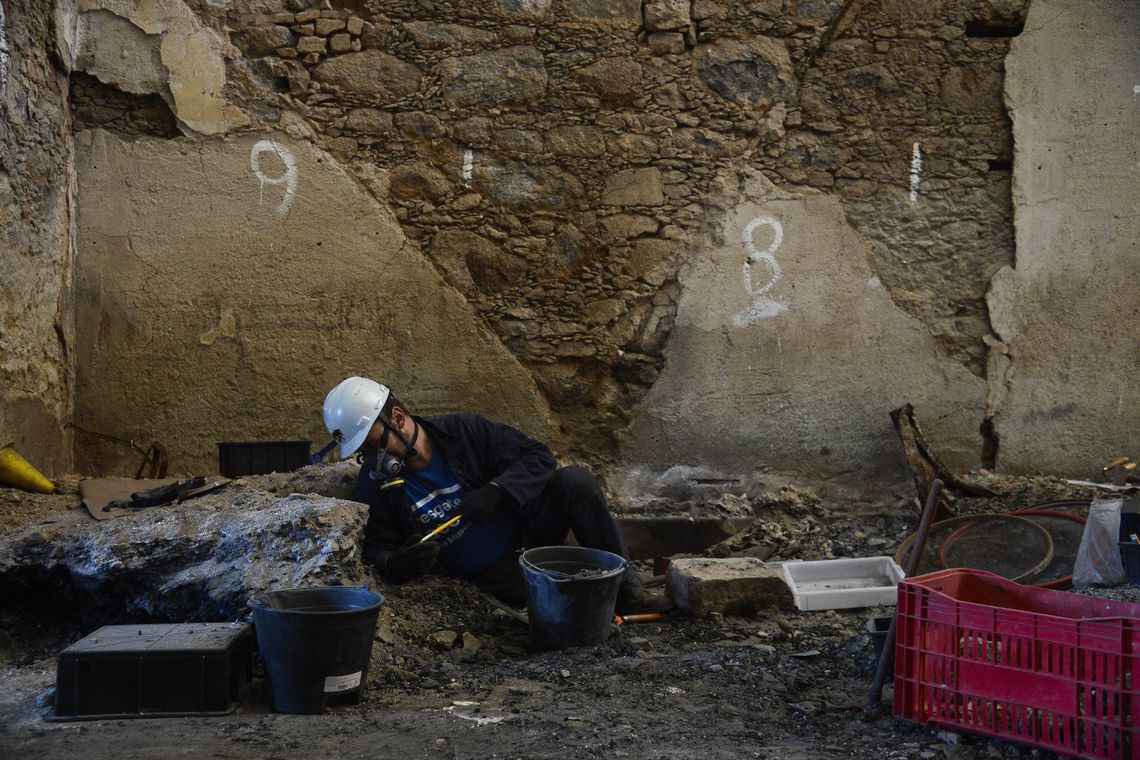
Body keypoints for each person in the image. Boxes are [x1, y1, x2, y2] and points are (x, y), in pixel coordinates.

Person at [322, 376, 668, 614]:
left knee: (574, 482)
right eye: (365, 453)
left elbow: (539, 457)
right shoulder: (376, 482)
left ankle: (627, 593)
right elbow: (375, 548)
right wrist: (395, 563)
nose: (376, 460)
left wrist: (498, 491)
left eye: (376, 445)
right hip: (490, 577)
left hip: (526, 536)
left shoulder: (465, 433)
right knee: (558, 608)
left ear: (397, 418)